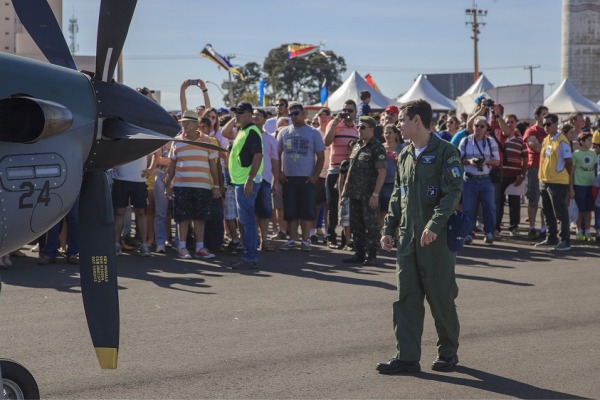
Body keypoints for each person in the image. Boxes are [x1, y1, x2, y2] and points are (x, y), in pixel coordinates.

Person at [377, 99, 463, 374]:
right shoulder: (404, 155)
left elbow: (453, 192)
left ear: (417, 120)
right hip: (407, 239)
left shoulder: (446, 152)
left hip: (434, 241)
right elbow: (397, 196)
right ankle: (407, 356)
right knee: (406, 298)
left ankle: (448, 353)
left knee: (440, 297)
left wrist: (435, 225)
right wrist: (388, 228)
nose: (397, 125)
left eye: (401, 120)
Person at [165, 111, 221, 260]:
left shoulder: (208, 140)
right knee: (182, 218)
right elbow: (172, 165)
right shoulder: (176, 141)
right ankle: (182, 247)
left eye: (188, 122)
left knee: (200, 218)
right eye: (183, 122)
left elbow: (213, 165)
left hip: (202, 185)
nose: (184, 125)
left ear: (196, 124)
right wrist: (168, 184)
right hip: (181, 185)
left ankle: (199, 248)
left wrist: (216, 185)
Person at [277, 102, 325, 251]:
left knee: (307, 210)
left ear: (304, 113)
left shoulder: (313, 133)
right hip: (289, 178)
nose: (293, 117)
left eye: (296, 113)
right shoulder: (284, 132)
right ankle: (292, 239)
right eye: (290, 114)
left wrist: (315, 176)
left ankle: (305, 240)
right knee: (290, 211)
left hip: (307, 178)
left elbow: (321, 156)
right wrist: (279, 172)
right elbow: (277, 154)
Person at [341, 116, 386, 266]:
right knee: (356, 224)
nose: (359, 130)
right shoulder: (357, 145)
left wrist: (375, 194)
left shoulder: (377, 147)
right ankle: (359, 253)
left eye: (362, 127)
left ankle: (372, 254)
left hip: (368, 194)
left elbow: (382, 172)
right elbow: (350, 170)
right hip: (354, 193)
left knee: (371, 225)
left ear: (372, 130)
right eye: (358, 127)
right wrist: (345, 189)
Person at [228, 102, 264, 269]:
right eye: (236, 113)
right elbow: (224, 132)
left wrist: (250, 179)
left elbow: (258, 155)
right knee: (245, 220)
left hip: (246, 182)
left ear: (250, 114)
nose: (237, 115)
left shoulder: (251, 131)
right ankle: (249, 255)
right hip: (241, 181)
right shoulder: (242, 131)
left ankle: (250, 256)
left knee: (247, 220)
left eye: (241, 113)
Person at [458, 116, 500, 244]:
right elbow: (458, 160)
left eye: (482, 126)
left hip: (486, 179)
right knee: (468, 209)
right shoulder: (465, 141)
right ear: (472, 127)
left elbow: (497, 161)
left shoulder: (490, 141)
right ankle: (468, 233)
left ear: (487, 128)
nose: (479, 129)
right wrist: (470, 161)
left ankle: (489, 232)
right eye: (476, 125)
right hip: (469, 179)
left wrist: (486, 162)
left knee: (490, 207)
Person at [324, 100, 359, 248]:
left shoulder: (358, 129)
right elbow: (326, 142)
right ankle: (331, 237)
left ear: (355, 112)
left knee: (350, 207)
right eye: (345, 110)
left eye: (350, 110)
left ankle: (347, 240)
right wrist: (334, 122)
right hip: (335, 170)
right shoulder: (335, 124)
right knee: (334, 206)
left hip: (352, 172)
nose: (347, 113)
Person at [535, 113, 573, 251]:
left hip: (558, 182)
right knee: (547, 211)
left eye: (548, 124)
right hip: (544, 181)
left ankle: (565, 240)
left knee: (560, 212)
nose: (545, 126)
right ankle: (552, 238)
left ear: (556, 124)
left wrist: (570, 183)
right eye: (544, 124)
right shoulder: (546, 139)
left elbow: (569, 163)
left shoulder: (562, 141)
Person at [112, 156, 152, 256]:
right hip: (120, 179)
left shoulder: (145, 140)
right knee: (119, 212)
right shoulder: (121, 139)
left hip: (139, 180)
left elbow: (156, 153)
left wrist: (151, 168)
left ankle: (144, 245)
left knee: (141, 212)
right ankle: (116, 244)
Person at [495, 114, 528, 236]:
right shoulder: (498, 139)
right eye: (507, 122)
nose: (509, 124)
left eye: (512, 122)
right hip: (500, 175)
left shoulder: (521, 141)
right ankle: (496, 227)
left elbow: (525, 158)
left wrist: (522, 174)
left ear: (516, 123)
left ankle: (513, 227)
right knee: (498, 202)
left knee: (514, 203)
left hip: (515, 176)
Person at [253, 108, 280, 252]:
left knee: (264, 211)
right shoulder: (244, 135)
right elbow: (225, 133)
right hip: (247, 179)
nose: (256, 117)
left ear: (264, 119)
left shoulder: (270, 138)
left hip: (265, 179)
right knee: (250, 212)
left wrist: (276, 181)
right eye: (254, 115)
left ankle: (264, 240)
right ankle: (253, 239)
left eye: (259, 115)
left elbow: (275, 161)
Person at [523, 105, 549, 240]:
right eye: (544, 114)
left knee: (546, 199)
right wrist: (548, 147)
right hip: (534, 168)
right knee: (533, 198)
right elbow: (536, 147)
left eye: (547, 114)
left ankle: (545, 228)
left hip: (547, 168)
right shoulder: (531, 131)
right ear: (537, 116)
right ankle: (532, 227)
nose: (546, 117)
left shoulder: (550, 132)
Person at [572, 132, 597, 241]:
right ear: (581, 142)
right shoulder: (576, 154)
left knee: (588, 210)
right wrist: (571, 187)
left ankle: (587, 231)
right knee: (580, 210)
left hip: (591, 185)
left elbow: (595, 169)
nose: (591, 143)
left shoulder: (593, 153)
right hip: (579, 185)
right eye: (588, 140)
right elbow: (571, 172)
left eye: (591, 140)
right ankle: (579, 231)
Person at [380, 124, 404, 228]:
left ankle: (397, 237)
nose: (388, 135)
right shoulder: (380, 147)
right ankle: (383, 235)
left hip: (397, 183)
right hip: (383, 183)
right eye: (386, 132)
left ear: (396, 134)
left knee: (397, 211)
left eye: (390, 132)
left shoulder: (402, 148)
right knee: (383, 212)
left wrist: (397, 158)